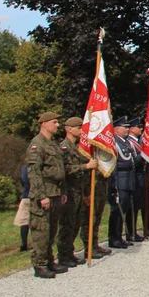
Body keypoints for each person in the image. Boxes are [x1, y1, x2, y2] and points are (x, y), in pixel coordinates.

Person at [26, 112, 67, 278]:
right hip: (43, 193)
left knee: (52, 230)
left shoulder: (53, 144)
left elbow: (59, 170)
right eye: (55, 122)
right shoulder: (37, 144)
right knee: (41, 231)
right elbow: (34, 172)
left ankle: (50, 260)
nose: (57, 125)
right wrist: (41, 196)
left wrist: (62, 191)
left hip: (55, 192)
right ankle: (40, 264)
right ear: (44, 124)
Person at [57, 117, 97, 265]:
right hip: (69, 191)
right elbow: (65, 170)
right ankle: (63, 255)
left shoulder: (77, 147)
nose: (82, 131)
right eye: (78, 128)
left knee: (75, 223)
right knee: (67, 224)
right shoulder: (63, 148)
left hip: (78, 190)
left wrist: (86, 192)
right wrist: (85, 167)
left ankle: (70, 252)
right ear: (69, 129)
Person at [109, 118, 139, 248]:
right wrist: (113, 183)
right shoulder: (114, 143)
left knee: (124, 209)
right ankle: (113, 237)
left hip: (128, 179)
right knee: (117, 210)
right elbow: (115, 164)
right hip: (120, 180)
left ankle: (120, 235)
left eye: (128, 127)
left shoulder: (126, 143)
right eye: (124, 127)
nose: (127, 129)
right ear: (116, 129)